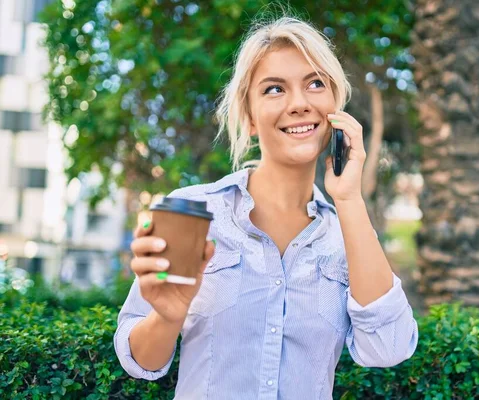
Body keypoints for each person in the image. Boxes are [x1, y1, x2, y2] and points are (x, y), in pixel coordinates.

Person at [114, 15, 418, 400]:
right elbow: (141, 362)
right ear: (250, 117)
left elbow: (388, 348)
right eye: (274, 89)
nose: (298, 103)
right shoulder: (192, 210)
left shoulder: (350, 234)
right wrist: (168, 316)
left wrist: (348, 198)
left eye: (315, 83)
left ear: (336, 106)